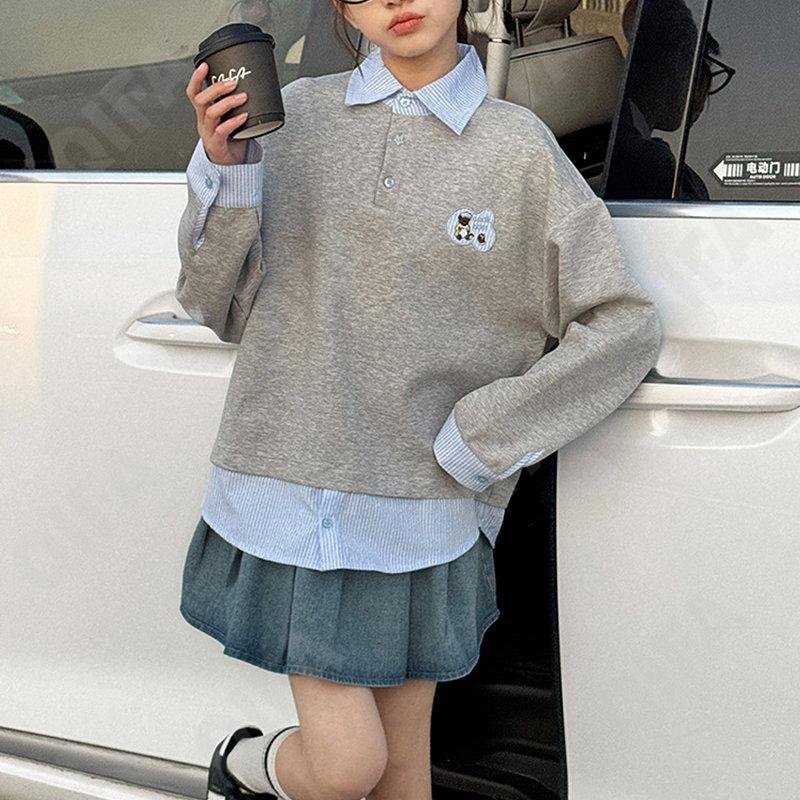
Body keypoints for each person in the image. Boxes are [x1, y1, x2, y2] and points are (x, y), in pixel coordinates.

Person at [177, 1, 664, 799]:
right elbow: (213, 303)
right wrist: (224, 165)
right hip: (295, 498)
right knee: (348, 766)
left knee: (404, 778)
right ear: (342, 7)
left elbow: (623, 324)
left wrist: (483, 436)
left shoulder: (518, 148)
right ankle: (244, 767)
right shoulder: (292, 119)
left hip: (426, 518)